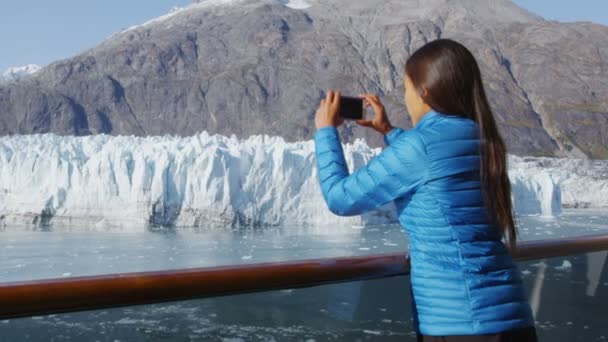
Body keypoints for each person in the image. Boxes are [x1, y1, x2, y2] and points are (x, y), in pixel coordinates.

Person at [313, 38, 538, 341]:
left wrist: (326, 132)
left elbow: (340, 198)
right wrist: (390, 132)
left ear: (425, 92)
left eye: (406, 90)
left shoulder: (421, 147)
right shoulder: (482, 138)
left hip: (459, 323)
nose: (406, 98)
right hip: (513, 319)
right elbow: (437, 165)